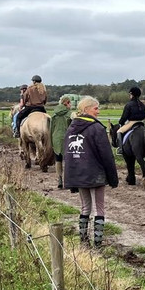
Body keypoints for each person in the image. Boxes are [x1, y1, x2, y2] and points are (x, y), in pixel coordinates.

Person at [63, 96, 119, 248]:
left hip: (79, 174)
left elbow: (67, 155)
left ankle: (83, 241)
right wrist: (113, 178)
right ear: (86, 109)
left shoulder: (71, 128)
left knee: (85, 207)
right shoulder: (97, 128)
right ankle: (98, 244)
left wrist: (71, 178)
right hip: (95, 175)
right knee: (99, 208)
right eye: (96, 108)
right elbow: (107, 155)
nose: (98, 111)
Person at [50, 93, 75, 189]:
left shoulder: (54, 115)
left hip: (56, 138)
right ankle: (69, 180)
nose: (71, 105)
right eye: (70, 103)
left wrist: (51, 140)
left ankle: (59, 179)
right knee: (69, 160)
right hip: (68, 138)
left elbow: (50, 129)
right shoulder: (70, 114)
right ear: (67, 103)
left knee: (58, 159)